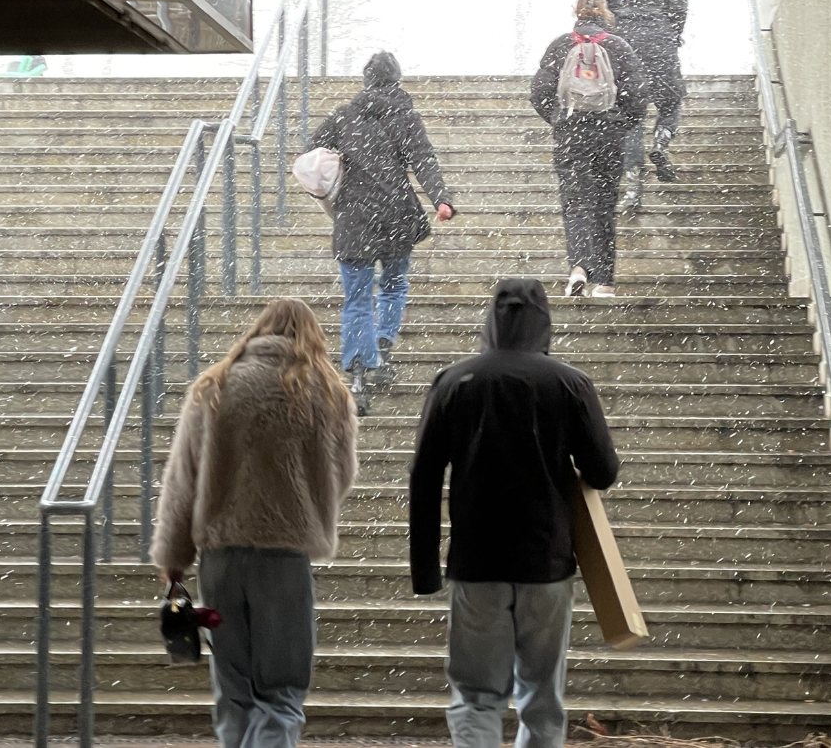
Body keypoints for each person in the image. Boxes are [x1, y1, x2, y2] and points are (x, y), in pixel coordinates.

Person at [408, 279, 620, 748]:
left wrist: (425, 569)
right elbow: (603, 472)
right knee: (542, 698)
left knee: (476, 696)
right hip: (546, 562)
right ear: (545, 323)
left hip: (476, 562)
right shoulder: (568, 382)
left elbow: (423, 476)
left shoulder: (454, 380)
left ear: (490, 322)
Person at [150, 297, 358, 748]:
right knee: (281, 692)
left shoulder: (215, 386)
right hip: (283, 561)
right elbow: (342, 473)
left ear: (259, 331)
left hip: (221, 560)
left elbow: (182, 480)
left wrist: (173, 556)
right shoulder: (326, 392)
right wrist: (304, 503)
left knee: (233, 689)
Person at [310, 51, 455, 415]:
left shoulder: (344, 115)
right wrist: (441, 199)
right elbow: (424, 159)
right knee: (393, 285)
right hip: (396, 216)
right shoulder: (405, 116)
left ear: (366, 80)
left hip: (354, 219)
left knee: (357, 299)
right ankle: (384, 347)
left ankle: (359, 374)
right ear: (397, 80)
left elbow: (311, 149)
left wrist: (340, 165)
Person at [531, 0, 648, 298]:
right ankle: (605, 282)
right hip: (608, 134)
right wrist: (620, 123)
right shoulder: (618, 46)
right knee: (604, 207)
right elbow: (638, 97)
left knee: (575, 204)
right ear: (604, 13)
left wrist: (559, 118)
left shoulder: (561, 45)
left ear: (577, 13)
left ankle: (579, 268)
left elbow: (539, 91)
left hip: (571, 134)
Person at [598, 0, 689, 205]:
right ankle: (660, 142)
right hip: (659, 37)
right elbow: (679, 4)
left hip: (625, 39)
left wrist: (612, 37)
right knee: (670, 100)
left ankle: (633, 181)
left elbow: (601, 3)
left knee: (631, 112)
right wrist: (671, 32)